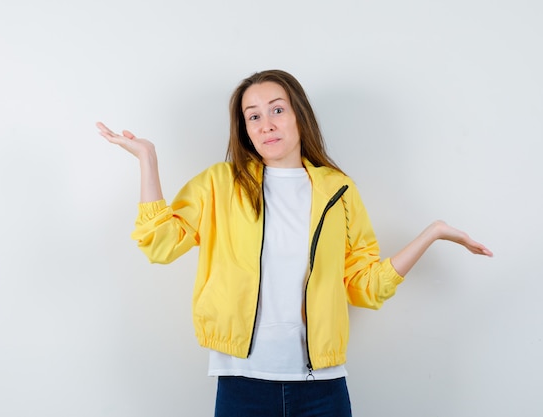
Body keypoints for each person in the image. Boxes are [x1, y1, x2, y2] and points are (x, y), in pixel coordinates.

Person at [96, 69, 492, 417]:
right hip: (241, 383)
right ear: (246, 130)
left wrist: (432, 233)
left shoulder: (338, 190)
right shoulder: (221, 184)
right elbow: (159, 244)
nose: (265, 123)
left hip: (323, 388)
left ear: (300, 116)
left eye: (277, 109)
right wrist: (147, 159)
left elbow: (363, 287)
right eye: (253, 116)